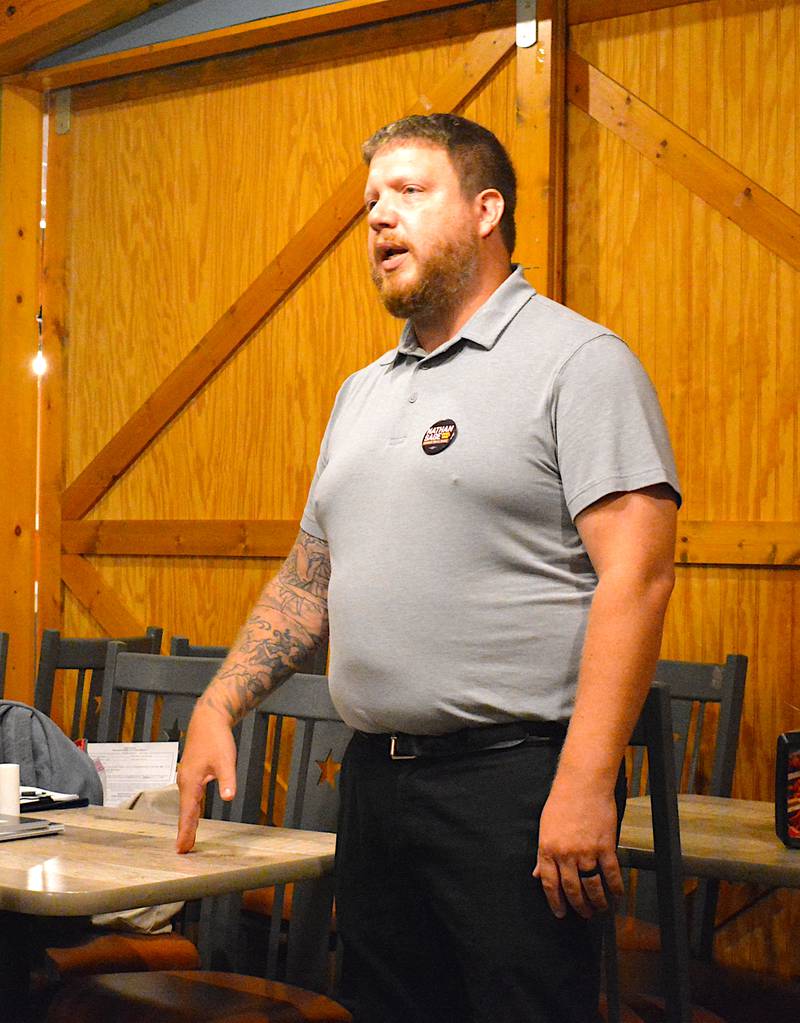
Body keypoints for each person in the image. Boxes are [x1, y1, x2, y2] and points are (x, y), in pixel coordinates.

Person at [176, 114, 681, 1023]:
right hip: (377, 785)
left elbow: (638, 576)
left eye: (410, 191)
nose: (379, 215)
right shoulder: (361, 393)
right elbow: (310, 577)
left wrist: (583, 782)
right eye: (372, 199)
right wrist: (220, 703)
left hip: (515, 788)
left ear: (487, 211)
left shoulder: (579, 362)